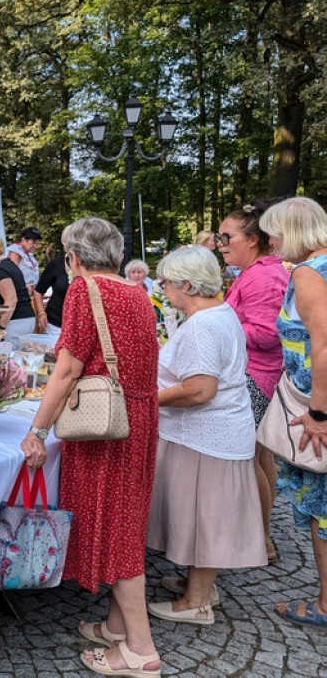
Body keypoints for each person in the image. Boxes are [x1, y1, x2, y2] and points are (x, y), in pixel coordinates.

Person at [21, 217, 161, 678]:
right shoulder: (138, 294)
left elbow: (66, 371)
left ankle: (140, 651)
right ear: (118, 255)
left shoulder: (86, 290)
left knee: (115, 528)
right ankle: (118, 626)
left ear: (72, 257)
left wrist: (37, 432)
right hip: (136, 419)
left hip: (103, 427)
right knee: (126, 520)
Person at [146, 245, 266, 626]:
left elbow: (200, 389)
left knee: (203, 518)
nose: (162, 288)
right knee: (204, 515)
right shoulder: (219, 311)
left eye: (165, 281)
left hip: (207, 435)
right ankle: (199, 585)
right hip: (217, 433)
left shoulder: (202, 324)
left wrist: (148, 400)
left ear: (186, 283)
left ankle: (196, 603)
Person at [258, 197, 327, 630]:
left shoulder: (309, 273)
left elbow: (323, 345)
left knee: (323, 507)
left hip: (316, 409)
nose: (271, 242)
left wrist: (319, 413)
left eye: (275, 233)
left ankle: (325, 603)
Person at [217, 202, 290, 563]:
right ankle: (262, 537)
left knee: (247, 460)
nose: (220, 243)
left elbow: (264, 334)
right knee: (260, 457)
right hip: (258, 374)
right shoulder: (256, 271)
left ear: (254, 239)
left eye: (227, 236)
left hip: (255, 377)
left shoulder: (262, 275)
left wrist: (219, 328)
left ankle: (260, 538)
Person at [0, 246, 36, 342]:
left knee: (4, 355)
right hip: (25, 318)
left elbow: (11, 299)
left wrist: (0, 328)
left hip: (13, 322)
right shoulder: (10, 267)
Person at [8, 227, 45, 330]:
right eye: (33, 242)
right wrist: (24, 284)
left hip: (29, 294)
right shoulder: (15, 252)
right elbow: (12, 272)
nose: (35, 246)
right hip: (19, 294)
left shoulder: (29, 254)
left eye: (37, 243)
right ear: (24, 240)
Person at [36, 248, 70, 336]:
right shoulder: (56, 264)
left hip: (79, 325)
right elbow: (38, 291)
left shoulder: (90, 266)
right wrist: (41, 313)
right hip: (55, 324)